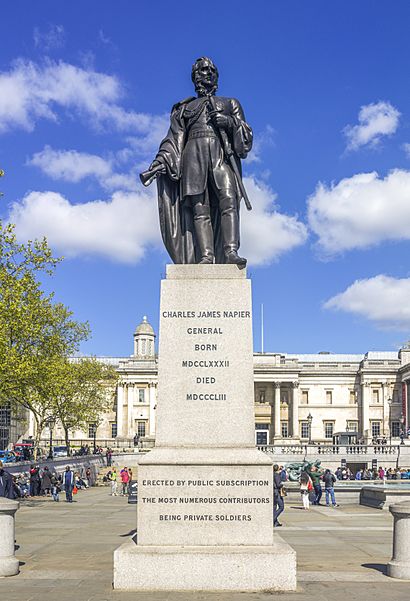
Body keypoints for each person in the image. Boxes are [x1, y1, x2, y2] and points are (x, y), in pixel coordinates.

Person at [144, 56, 253, 266]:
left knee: (229, 199)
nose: (208, 73)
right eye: (203, 70)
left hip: (221, 154)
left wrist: (228, 121)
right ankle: (206, 256)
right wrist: (161, 160)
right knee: (199, 206)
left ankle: (230, 251)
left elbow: (245, 135)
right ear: (195, 76)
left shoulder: (230, 103)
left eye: (212, 70)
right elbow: (173, 139)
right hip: (192, 154)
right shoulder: (184, 108)